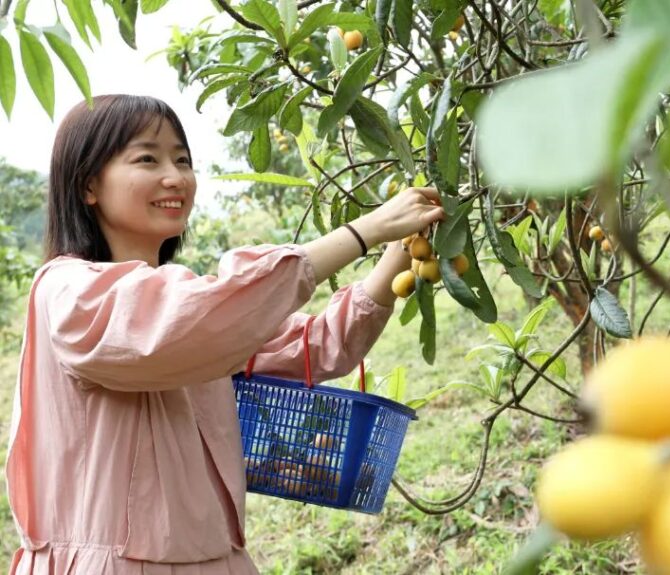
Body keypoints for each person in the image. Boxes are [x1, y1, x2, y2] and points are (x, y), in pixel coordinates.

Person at [4, 94, 445, 573]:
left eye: (182, 159)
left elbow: (317, 345)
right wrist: (365, 231)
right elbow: (187, 323)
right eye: (147, 158)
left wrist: (399, 250)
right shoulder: (68, 290)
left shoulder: (195, 305)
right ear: (89, 185)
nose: (175, 177)